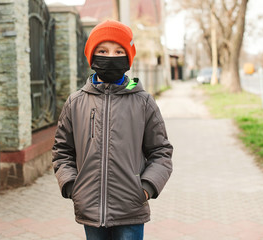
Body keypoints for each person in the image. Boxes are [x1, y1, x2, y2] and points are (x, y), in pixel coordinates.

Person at [52, 20, 173, 240]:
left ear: (128, 56)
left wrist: (146, 187)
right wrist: (72, 186)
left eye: (119, 51)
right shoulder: (76, 102)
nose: (111, 56)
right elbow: (62, 152)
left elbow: (161, 152)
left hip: (131, 209)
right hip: (90, 209)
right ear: (92, 56)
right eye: (103, 50)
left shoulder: (143, 102)